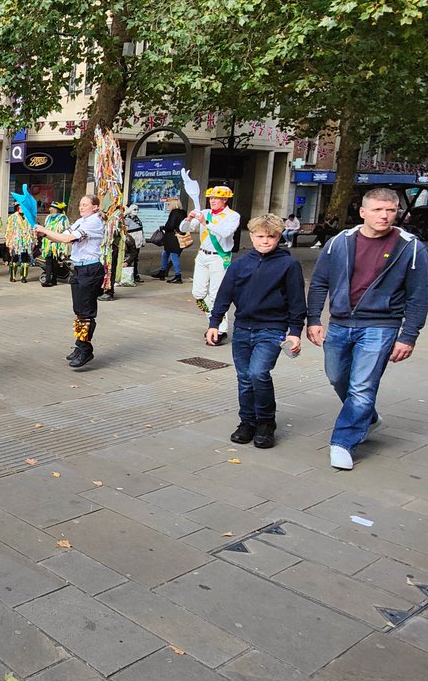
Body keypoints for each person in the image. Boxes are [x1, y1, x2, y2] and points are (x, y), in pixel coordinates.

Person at [306, 187, 427, 471]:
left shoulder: (411, 248)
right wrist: (313, 319)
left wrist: (408, 336)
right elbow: (320, 281)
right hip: (340, 322)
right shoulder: (339, 242)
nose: (384, 216)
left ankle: (343, 443)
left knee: (362, 386)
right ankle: (368, 417)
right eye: (377, 210)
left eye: (390, 210)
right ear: (362, 212)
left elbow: (419, 296)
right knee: (337, 376)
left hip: (381, 326)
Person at [207, 214, 307, 450]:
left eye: (271, 237)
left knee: (258, 373)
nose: (265, 241)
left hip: (271, 329)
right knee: (244, 378)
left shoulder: (288, 265)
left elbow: (296, 301)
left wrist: (295, 331)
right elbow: (224, 295)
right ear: (251, 236)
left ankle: (265, 422)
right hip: (242, 328)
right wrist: (214, 322)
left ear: (279, 236)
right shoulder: (240, 264)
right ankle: (247, 422)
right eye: (260, 236)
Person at [35, 194, 104, 369]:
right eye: (80, 204)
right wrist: (43, 234)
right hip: (79, 268)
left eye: (85, 204)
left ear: (95, 207)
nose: (81, 207)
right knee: (79, 311)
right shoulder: (81, 221)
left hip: (90, 269)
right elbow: (61, 236)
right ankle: (80, 345)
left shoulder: (94, 222)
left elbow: (67, 239)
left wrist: (43, 230)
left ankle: (85, 349)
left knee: (87, 312)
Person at [182, 185, 240, 340]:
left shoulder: (232, 216)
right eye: (211, 198)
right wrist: (188, 219)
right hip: (202, 256)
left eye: (216, 198)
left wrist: (206, 223)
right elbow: (185, 228)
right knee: (198, 293)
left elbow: (225, 232)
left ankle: (219, 329)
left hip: (219, 257)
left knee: (216, 294)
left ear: (225, 199)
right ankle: (212, 320)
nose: (213, 201)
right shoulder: (205, 213)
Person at [39, 201, 69, 287]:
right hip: (48, 242)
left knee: (55, 261)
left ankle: (54, 279)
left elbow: (65, 230)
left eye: (51, 207)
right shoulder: (48, 217)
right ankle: (48, 280)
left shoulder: (63, 218)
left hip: (57, 242)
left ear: (56, 209)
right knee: (48, 260)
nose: (49, 209)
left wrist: (63, 244)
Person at [5, 205, 33, 283]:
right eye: (19, 207)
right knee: (15, 259)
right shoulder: (12, 217)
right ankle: (12, 276)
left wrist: (33, 241)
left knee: (25, 259)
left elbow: (33, 229)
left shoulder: (29, 217)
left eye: (23, 207)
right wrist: (9, 243)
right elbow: (9, 230)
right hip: (16, 242)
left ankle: (23, 277)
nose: (21, 209)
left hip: (26, 242)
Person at [124, 204, 144, 283]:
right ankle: (132, 275)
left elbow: (141, 230)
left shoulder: (137, 219)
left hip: (138, 240)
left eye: (137, 210)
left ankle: (135, 275)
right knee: (132, 257)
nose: (136, 211)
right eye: (134, 210)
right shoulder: (127, 219)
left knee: (135, 258)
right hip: (131, 240)